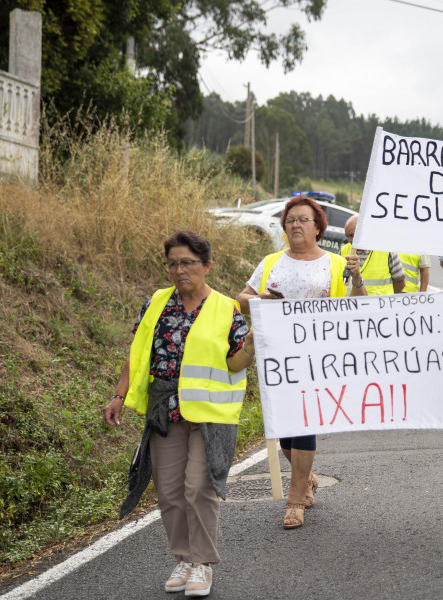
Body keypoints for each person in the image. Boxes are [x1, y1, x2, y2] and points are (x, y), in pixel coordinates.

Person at [104, 231, 253, 597]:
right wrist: (119, 394)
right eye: (173, 262)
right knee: (169, 491)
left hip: (210, 413)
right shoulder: (156, 302)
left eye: (188, 262)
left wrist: (252, 345)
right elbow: (137, 352)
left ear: (206, 266)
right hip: (163, 408)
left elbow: (235, 364)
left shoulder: (226, 307)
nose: (179, 269)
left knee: (198, 487)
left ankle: (202, 564)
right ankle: (184, 558)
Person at [238, 196, 366, 528]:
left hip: (317, 359)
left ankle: (295, 501)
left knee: (304, 422)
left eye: (303, 219)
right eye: (290, 220)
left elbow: (358, 309)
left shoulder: (336, 264)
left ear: (318, 228)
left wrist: (358, 279)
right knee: (284, 433)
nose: (295, 224)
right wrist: (260, 300)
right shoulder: (270, 262)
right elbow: (242, 300)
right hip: (276, 359)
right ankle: (306, 477)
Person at [340, 214, 405, 295]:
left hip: (380, 306)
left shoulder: (387, 250)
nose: (349, 240)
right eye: (347, 236)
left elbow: (400, 283)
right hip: (354, 305)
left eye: (352, 235)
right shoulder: (343, 250)